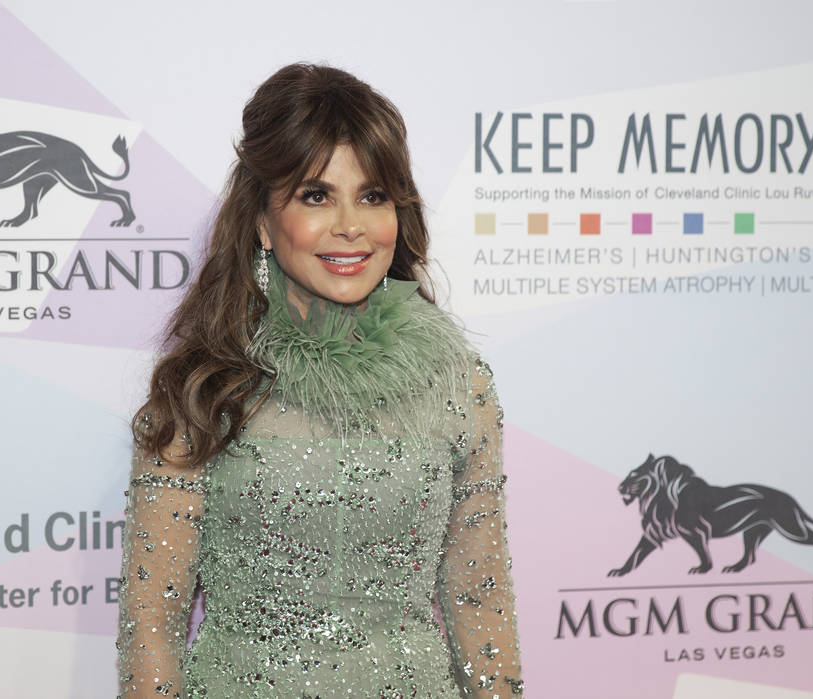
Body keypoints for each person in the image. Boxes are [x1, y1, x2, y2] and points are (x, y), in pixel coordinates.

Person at [116, 62, 523, 698]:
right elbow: (152, 622)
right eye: (315, 195)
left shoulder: (457, 384)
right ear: (261, 221)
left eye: (373, 195)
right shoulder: (202, 389)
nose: (350, 227)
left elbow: (480, 594)